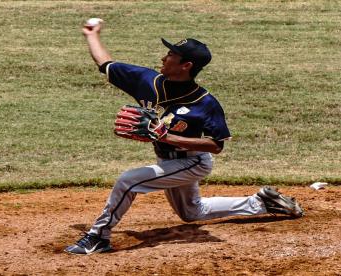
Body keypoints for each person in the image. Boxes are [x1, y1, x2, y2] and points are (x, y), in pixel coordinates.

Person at [65, 21, 304, 255]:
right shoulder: (147, 81)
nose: (163, 57)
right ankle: (261, 202)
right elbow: (106, 64)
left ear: (186, 65)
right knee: (192, 212)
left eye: (170, 54)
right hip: (167, 161)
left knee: (128, 181)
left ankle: (98, 236)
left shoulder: (205, 103)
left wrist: (167, 136)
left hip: (193, 162)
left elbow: (216, 145)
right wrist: (91, 35)